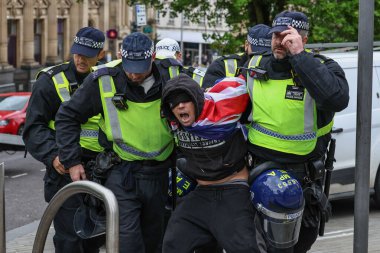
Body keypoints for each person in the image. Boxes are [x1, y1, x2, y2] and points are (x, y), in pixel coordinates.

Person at [55, 32, 175, 253]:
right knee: (128, 242)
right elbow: (67, 116)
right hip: (121, 172)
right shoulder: (105, 79)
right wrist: (72, 161)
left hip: (159, 174)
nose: (133, 74)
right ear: (121, 54)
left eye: (140, 68)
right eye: (129, 66)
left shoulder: (172, 75)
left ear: (154, 57)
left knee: (154, 240)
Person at [243, 10, 350, 253]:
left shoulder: (321, 67)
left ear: (304, 39)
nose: (279, 42)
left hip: (303, 178)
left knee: (300, 243)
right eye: (275, 36)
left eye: (287, 36)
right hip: (260, 172)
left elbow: (336, 98)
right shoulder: (255, 65)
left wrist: (299, 56)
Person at [22, 26, 106, 253]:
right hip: (64, 170)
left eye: (87, 56)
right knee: (70, 239)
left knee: (93, 240)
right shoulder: (50, 81)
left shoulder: (106, 79)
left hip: (100, 170)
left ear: (100, 54)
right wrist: (53, 156)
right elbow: (33, 128)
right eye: (77, 53)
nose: (80, 59)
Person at [161, 73, 264, 253]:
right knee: (173, 241)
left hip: (233, 191)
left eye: (185, 100)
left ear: (196, 99)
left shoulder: (222, 108)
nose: (180, 106)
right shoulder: (173, 123)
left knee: (246, 248)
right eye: (174, 103)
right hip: (202, 192)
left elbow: (242, 82)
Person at [202, 24, 271, 89]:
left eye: (267, 53)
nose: (261, 57)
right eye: (256, 53)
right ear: (246, 45)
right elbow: (209, 98)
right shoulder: (221, 66)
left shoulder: (277, 67)